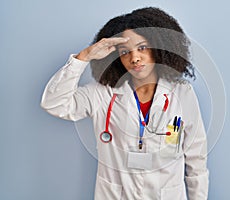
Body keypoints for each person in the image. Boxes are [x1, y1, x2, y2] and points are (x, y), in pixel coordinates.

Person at [41, 7, 209, 200]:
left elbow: (196, 158)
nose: (134, 58)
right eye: (124, 52)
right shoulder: (102, 94)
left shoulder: (182, 93)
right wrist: (83, 57)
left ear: (158, 48)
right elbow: (54, 103)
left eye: (142, 48)